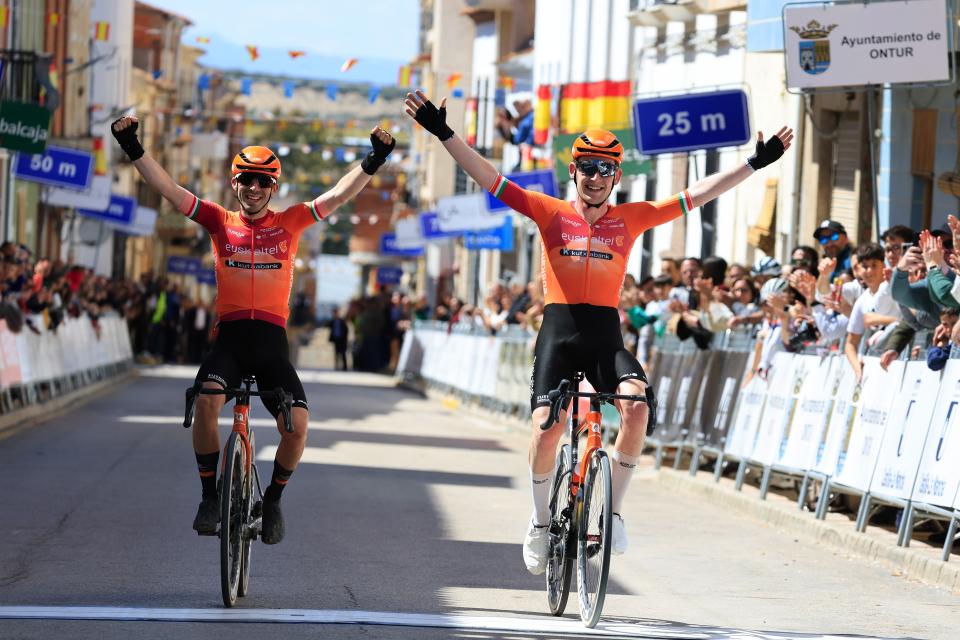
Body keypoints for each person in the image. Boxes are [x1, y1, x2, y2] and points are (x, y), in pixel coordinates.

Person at [404, 89, 793, 573]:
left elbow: (698, 193)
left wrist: (755, 163)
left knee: (635, 409)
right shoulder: (549, 212)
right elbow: (491, 178)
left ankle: (615, 513)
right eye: (586, 168)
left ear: (617, 177)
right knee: (546, 430)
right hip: (559, 333)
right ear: (574, 171)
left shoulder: (632, 219)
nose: (594, 177)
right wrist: (444, 134)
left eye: (605, 170)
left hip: (605, 337)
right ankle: (542, 522)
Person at [112, 115, 394, 544]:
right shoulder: (218, 221)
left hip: (270, 347)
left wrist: (373, 159)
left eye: (263, 183)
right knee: (206, 404)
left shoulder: (292, 222)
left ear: (273, 188)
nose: (254, 189)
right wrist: (131, 144)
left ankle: (274, 500)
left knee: (297, 427)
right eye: (246, 181)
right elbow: (169, 190)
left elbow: (337, 195)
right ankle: (210, 497)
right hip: (230, 342)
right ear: (235, 184)